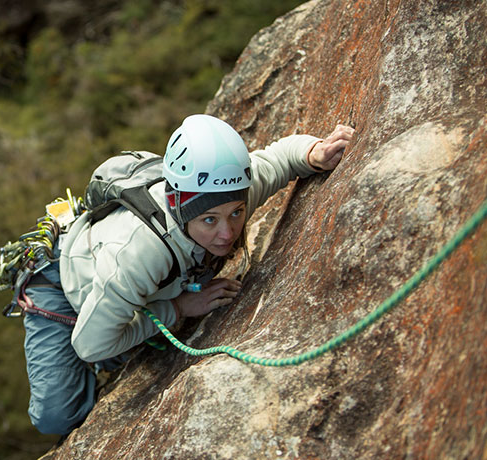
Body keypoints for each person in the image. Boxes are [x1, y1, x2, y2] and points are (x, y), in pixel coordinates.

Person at [23, 114, 355, 435]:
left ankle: (115, 334)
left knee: (124, 334)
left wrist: (314, 153)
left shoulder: (223, 199)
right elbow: (90, 345)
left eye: (236, 214)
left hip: (117, 284)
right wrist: (179, 307)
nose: (227, 233)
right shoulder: (141, 253)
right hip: (61, 284)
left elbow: (279, 159)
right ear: (177, 206)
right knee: (55, 416)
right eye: (209, 220)